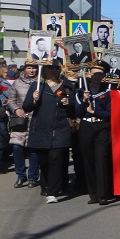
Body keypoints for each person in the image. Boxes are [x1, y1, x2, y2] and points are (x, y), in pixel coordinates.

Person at [22, 63, 74, 203]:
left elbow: (74, 109)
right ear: (44, 69)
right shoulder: (38, 86)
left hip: (60, 127)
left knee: (56, 160)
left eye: (56, 68)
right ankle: (45, 185)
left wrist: (68, 103)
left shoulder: (67, 86)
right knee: (44, 161)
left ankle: (52, 192)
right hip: (41, 129)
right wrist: (34, 99)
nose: (53, 70)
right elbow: (26, 107)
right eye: (50, 67)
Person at [75, 60, 113, 205]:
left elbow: (110, 113)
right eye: (94, 73)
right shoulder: (80, 90)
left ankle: (103, 194)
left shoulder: (108, 90)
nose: (97, 76)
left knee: (101, 160)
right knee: (88, 160)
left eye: (100, 74)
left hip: (102, 127)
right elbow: (78, 112)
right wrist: (84, 101)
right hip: (86, 127)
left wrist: (94, 112)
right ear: (89, 74)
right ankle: (93, 194)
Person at [3, 59, 39, 188]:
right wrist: (16, 109)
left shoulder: (41, 82)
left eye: (34, 68)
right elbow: (10, 100)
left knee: (33, 150)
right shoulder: (17, 83)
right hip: (20, 121)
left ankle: (33, 177)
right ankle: (20, 175)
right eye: (29, 68)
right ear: (24, 68)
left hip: (36, 119)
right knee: (17, 148)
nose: (31, 70)